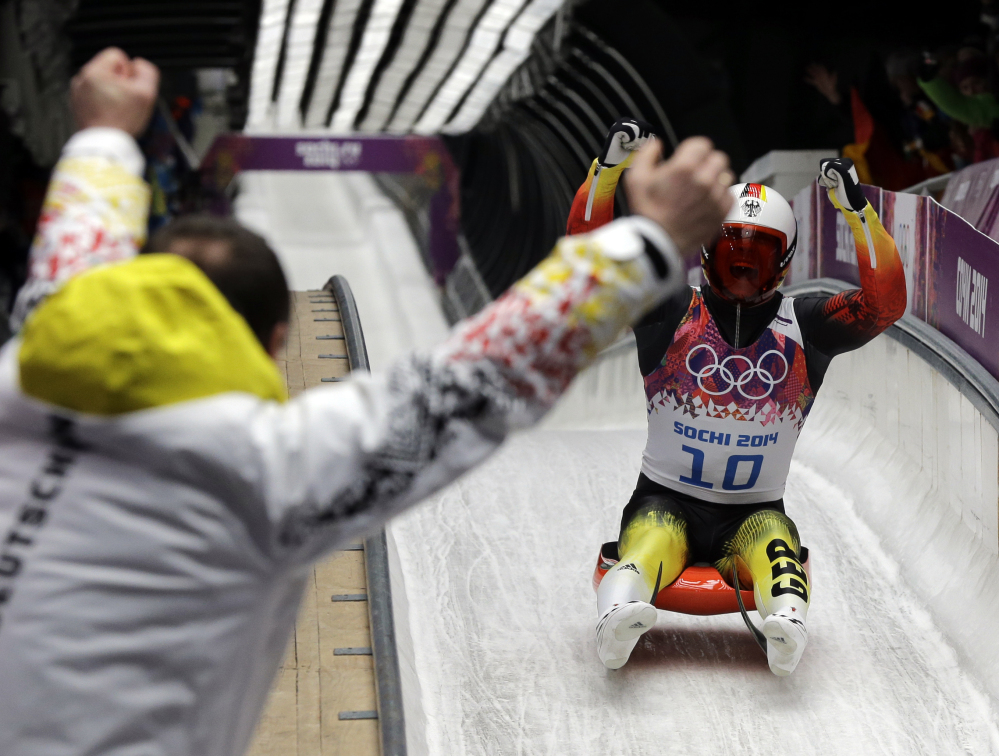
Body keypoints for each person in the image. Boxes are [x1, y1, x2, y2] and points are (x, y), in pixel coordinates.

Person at [0, 50, 735, 755]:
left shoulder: (27, 364)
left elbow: (76, 254)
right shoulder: (258, 471)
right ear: (274, 340)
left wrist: (103, 133)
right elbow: (477, 378)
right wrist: (653, 241)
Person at [568, 119, 906, 676]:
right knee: (648, 543)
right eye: (732, 254)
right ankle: (620, 618)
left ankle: (786, 624)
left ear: (785, 262)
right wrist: (606, 174)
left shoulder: (807, 325)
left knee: (777, 549)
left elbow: (882, 304)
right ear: (706, 253)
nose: (744, 268)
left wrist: (859, 212)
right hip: (665, 502)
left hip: (753, 515)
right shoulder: (669, 310)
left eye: (758, 256)